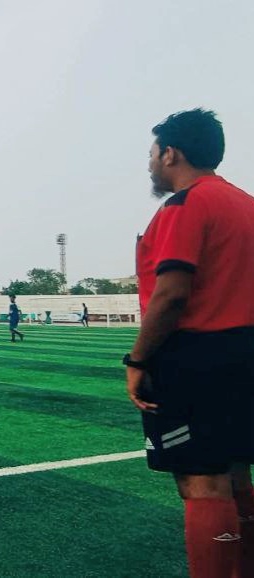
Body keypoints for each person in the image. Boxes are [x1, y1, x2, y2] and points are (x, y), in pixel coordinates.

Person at [126, 109, 254, 578]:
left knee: (202, 482)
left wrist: (137, 359)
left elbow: (173, 292)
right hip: (246, 353)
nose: (150, 164)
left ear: (171, 153)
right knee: (237, 473)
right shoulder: (246, 204)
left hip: (196, 357)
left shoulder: (185, 205)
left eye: (152, 154)